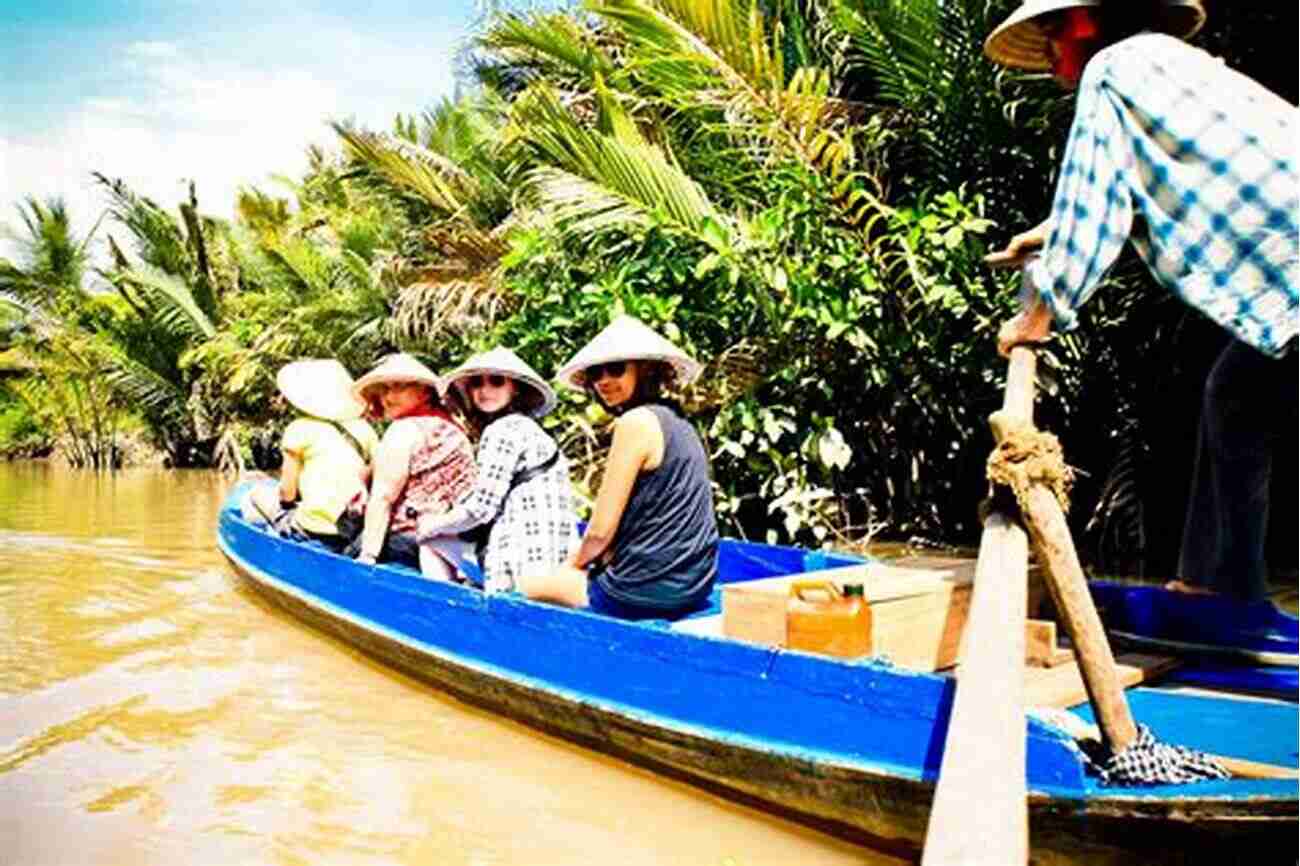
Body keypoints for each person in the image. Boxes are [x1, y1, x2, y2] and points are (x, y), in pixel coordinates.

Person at [983, 0, 1298, 602]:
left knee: (1236, 396)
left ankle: (1226, 596)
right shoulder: (1169, 62)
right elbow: (1129, 184)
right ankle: (1218, 589)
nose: (1049, 60)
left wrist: (1035, 318)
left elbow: (1095, 212)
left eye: (1050, 39)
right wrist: (1047, 233)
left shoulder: (1113, 70)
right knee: (1234, 395)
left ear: (1081, 22)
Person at [522, 315, 719, 620]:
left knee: (527, 585)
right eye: (595, 373)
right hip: (696, 586)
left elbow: (599, 533)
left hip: (641, 591)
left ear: (647, 370)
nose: (603, 381)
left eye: (616, 369)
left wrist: (569, 569)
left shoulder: (635, 422)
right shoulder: (681, 421)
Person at [416, 347, 578, 593]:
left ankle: (447, 614)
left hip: (525, 560)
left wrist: (432, 524)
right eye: (477, 383)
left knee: (429, 539)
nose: (485, 390)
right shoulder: (531, 429)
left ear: (514, 388)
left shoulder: (503, 430)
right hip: (558, 559)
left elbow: (481, 509)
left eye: (497, 382)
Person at [349, 354, 477, 577]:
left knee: (346, 540)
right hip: (453, 540)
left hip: (408, 541)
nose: (389, 397)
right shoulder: (453, 426)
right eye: (386, 389)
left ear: (425, 391)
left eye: (399, 387)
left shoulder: (404, 430)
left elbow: (383, 497)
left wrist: (367, 556)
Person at [242, 359, 378, 549]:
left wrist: (290, 505)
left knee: (254, 494)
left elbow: (287, 493)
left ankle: (271, 545)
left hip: (312, 529)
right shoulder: (365, 429)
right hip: (353, 528)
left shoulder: (299, 428)